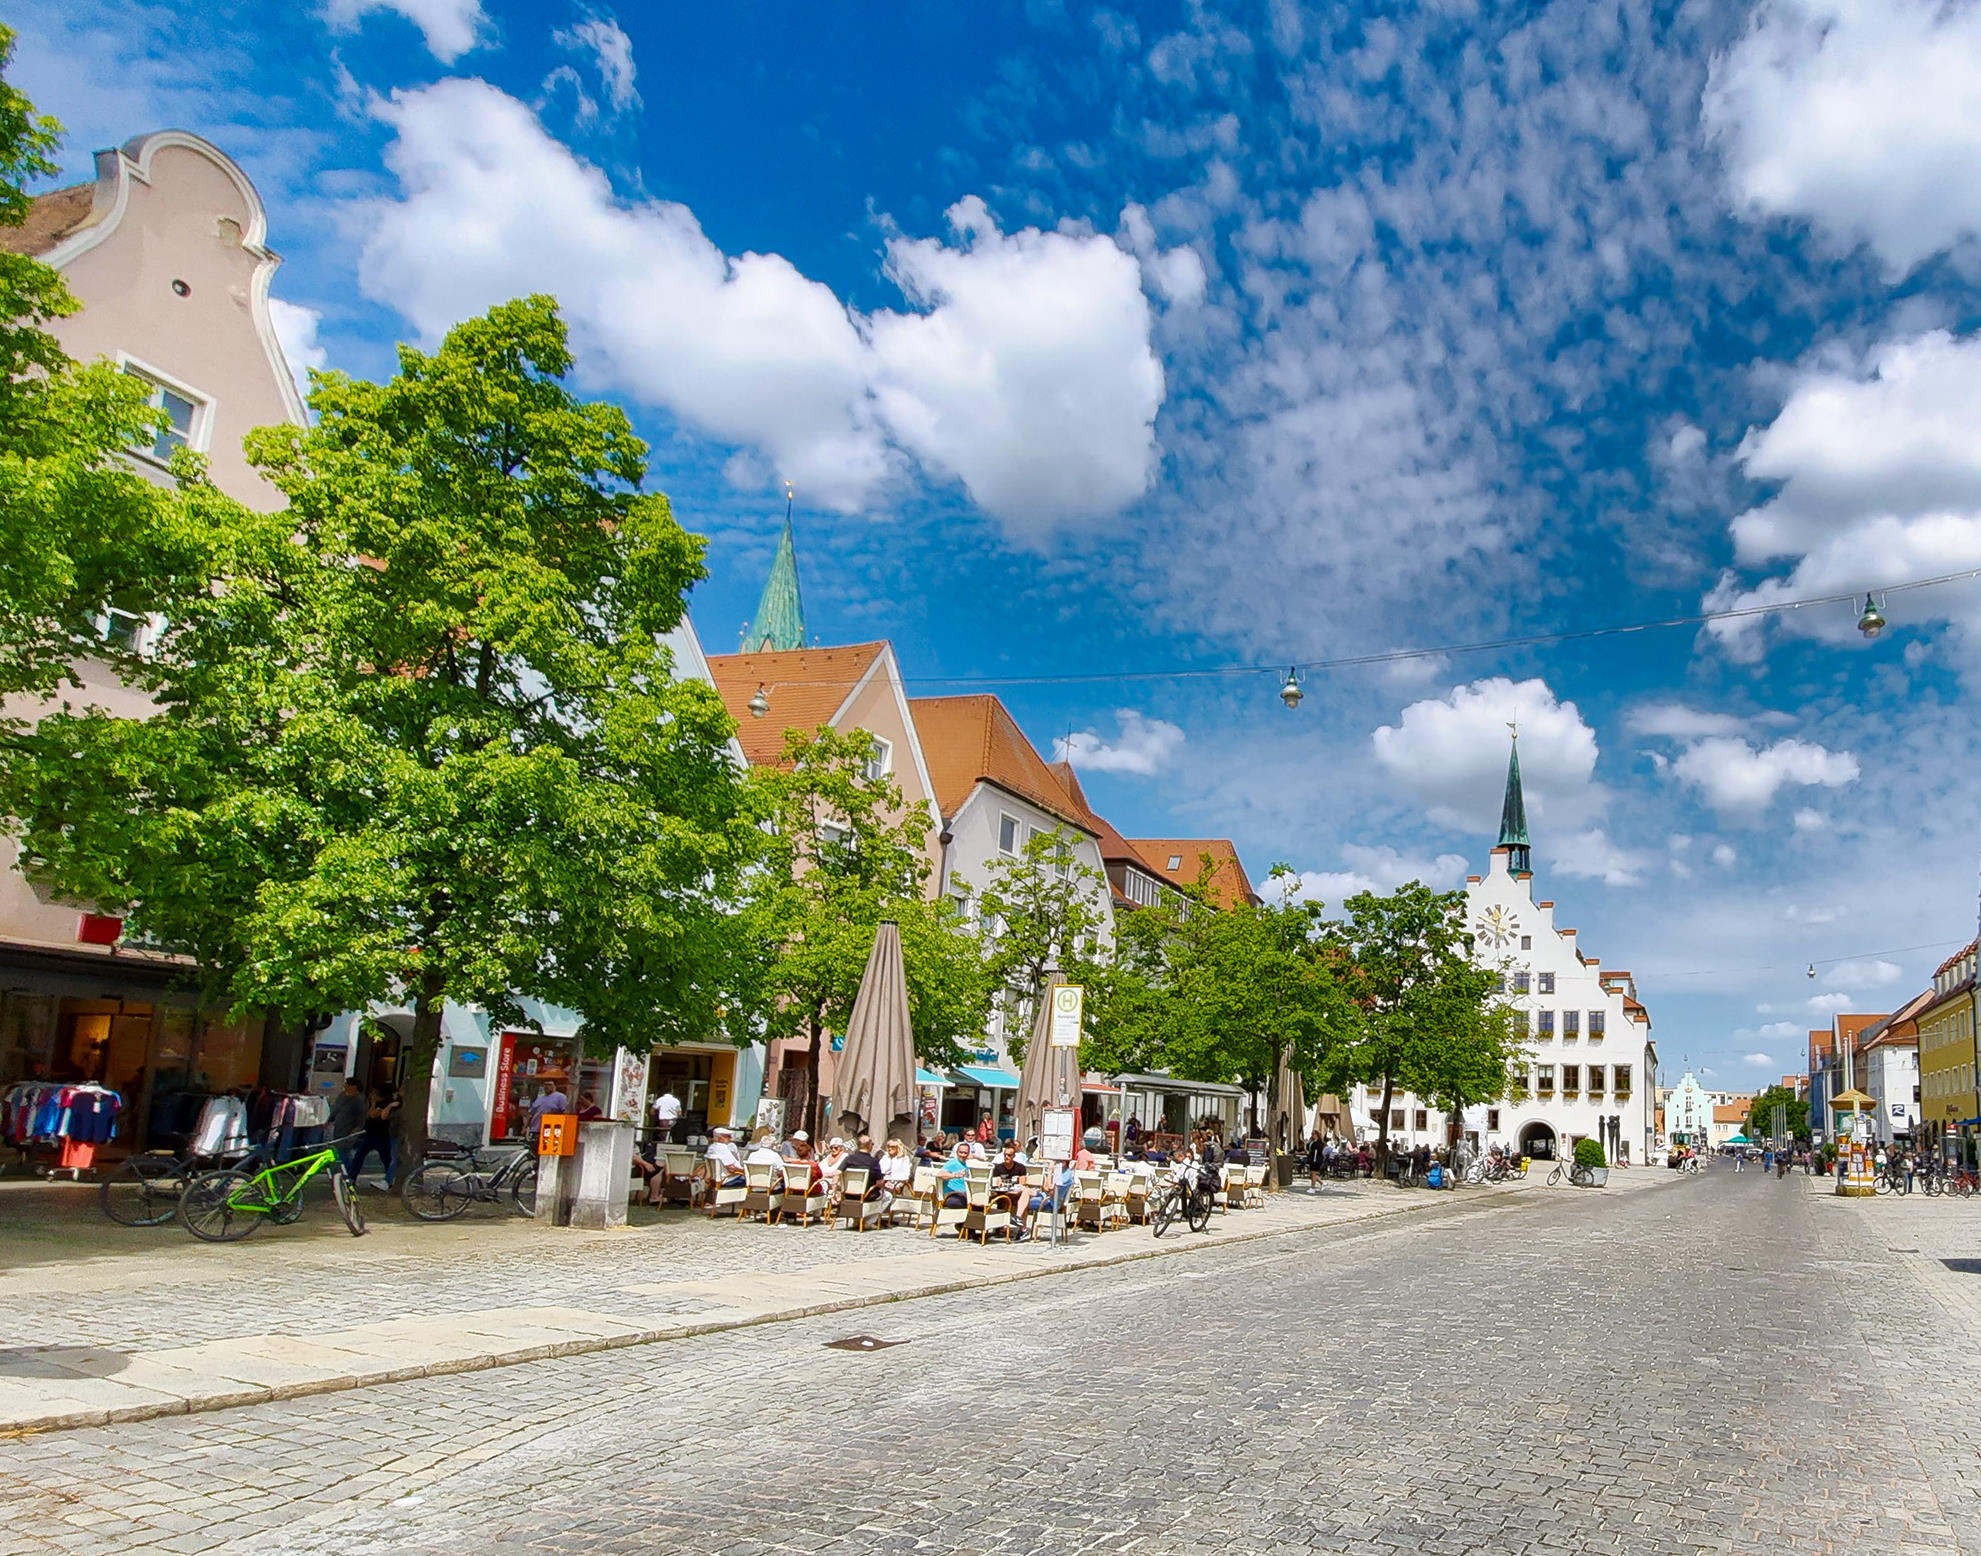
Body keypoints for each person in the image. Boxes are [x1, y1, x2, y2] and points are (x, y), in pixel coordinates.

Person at [349, 1085, 400, 1189]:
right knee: (359, 1156)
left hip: (381, 1135)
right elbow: (368, 1115)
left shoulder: (384, 1104)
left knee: (386, 1158)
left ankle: (389, 1179)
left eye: (373, 1094)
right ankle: (352, 1177)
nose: (371, 1095)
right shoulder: (375, 1104)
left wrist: (373, 1104)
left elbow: (373, 1115)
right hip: (370, 1135)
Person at [329, 1078, 368, 1177]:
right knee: (338, 1151)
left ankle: (348, 1174)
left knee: (343, 1152)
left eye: (347, 1084)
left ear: (354, 1087)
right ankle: (341, 1172)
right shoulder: (342, 1096)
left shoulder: (358, 1100)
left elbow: (361, 1117)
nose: (345, 1086)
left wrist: (356, 1130)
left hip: (349, 1131)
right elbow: (335, 1110)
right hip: (338, 1129)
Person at [841, 1134, 886, 1203]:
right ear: (869, 1145)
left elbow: (838, 1172)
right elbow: (879, 1182)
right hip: (867, 1195)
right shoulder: (873, 1162)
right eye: (872, 1144)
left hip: (847, 1195)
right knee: (888, 1196)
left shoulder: (848, 1159)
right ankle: (875, 1213)